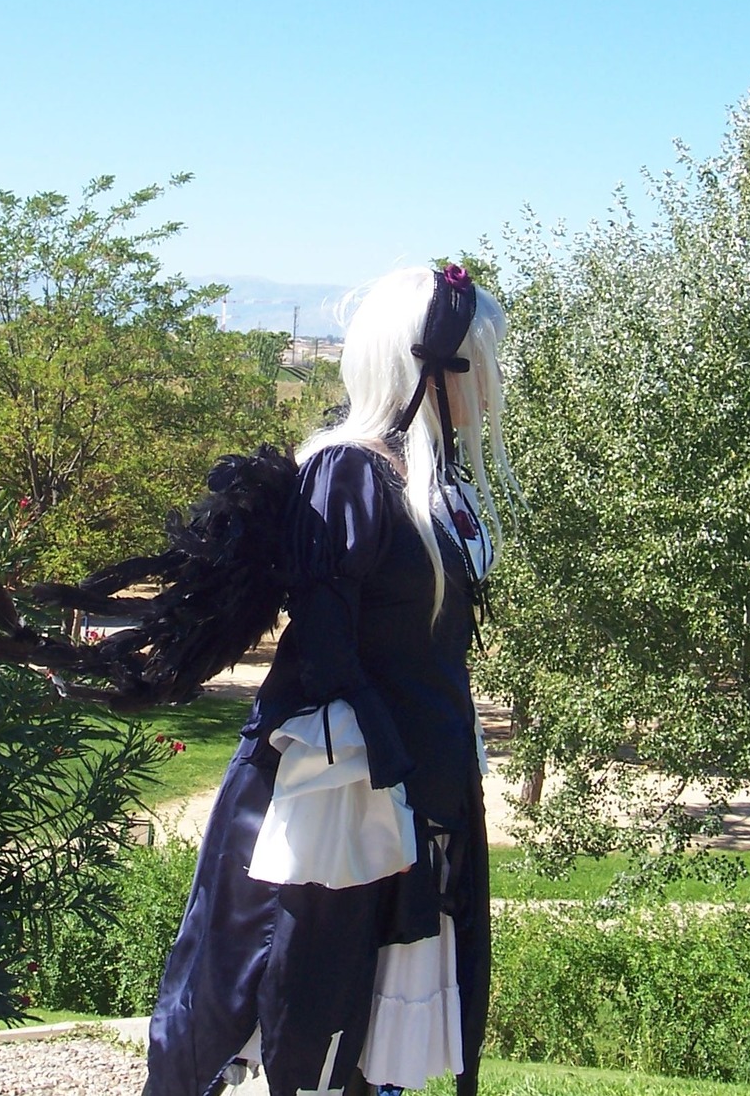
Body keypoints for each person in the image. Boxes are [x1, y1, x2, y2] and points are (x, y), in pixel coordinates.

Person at [144, 263, 518, 1096]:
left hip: (416, 778)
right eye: (480, 363)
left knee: (376, 1000)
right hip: (333, 786)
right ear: (432, 366)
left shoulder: (432, 487)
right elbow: (323, 640)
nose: (492, 384)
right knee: (295, 984)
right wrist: (386, 751)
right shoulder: (350, 471)